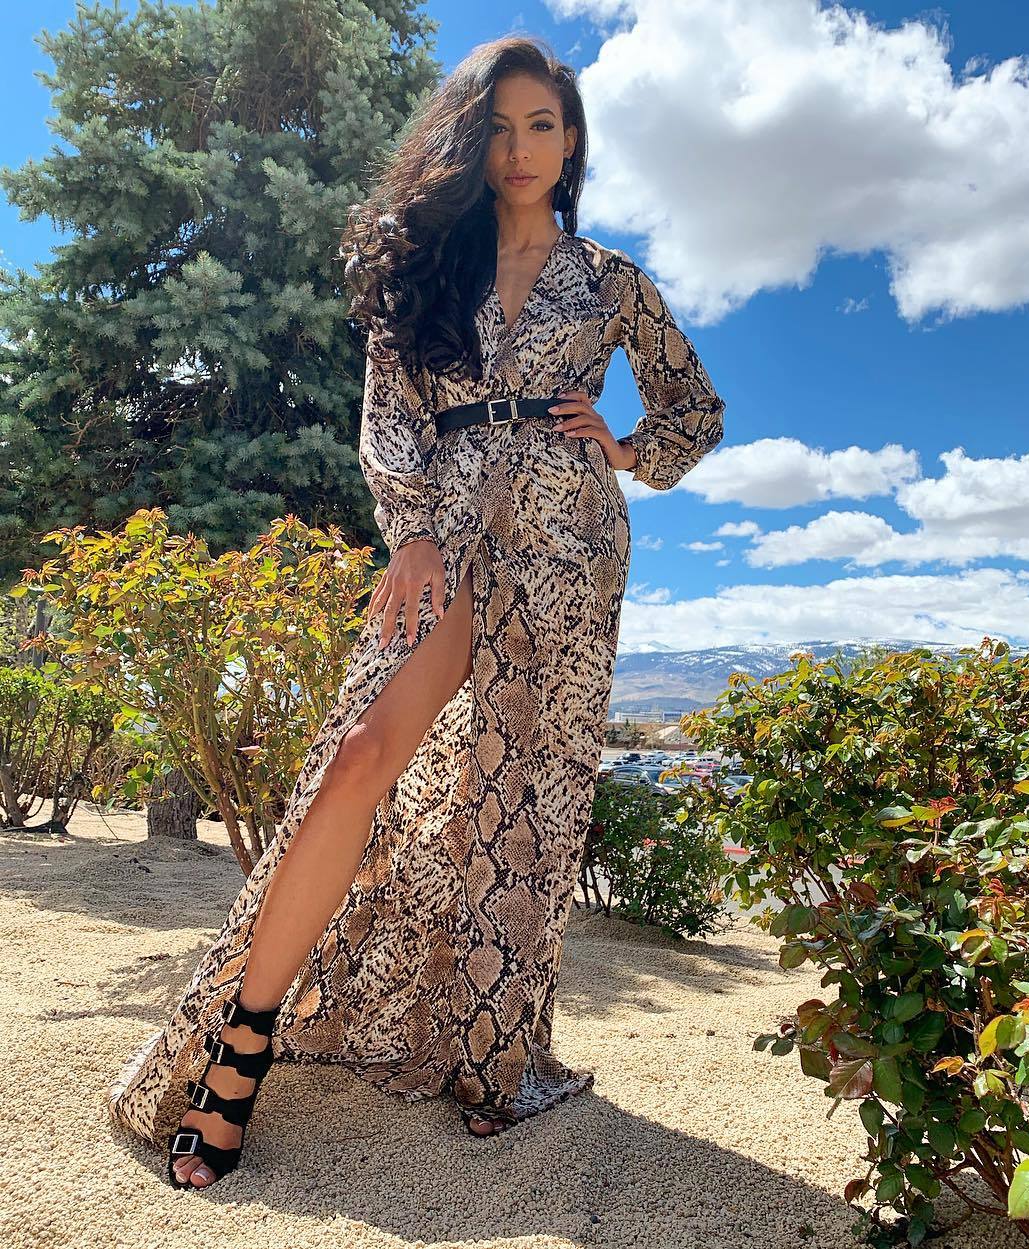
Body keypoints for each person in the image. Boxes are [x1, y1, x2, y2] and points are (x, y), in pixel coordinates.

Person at [106, 33, 726, 1191]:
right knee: (358, 757)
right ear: (471, 143)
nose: (521, 148)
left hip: (567, 544)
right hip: (446, 529)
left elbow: (696, 407)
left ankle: (492, 1056)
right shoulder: (433, 267)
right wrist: (416, 531)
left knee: (521, 804)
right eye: (500, 127)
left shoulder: (612, 280)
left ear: (572, 142)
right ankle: (241, 1041)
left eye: (543, 125)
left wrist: (627, 447)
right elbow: (388, 411)